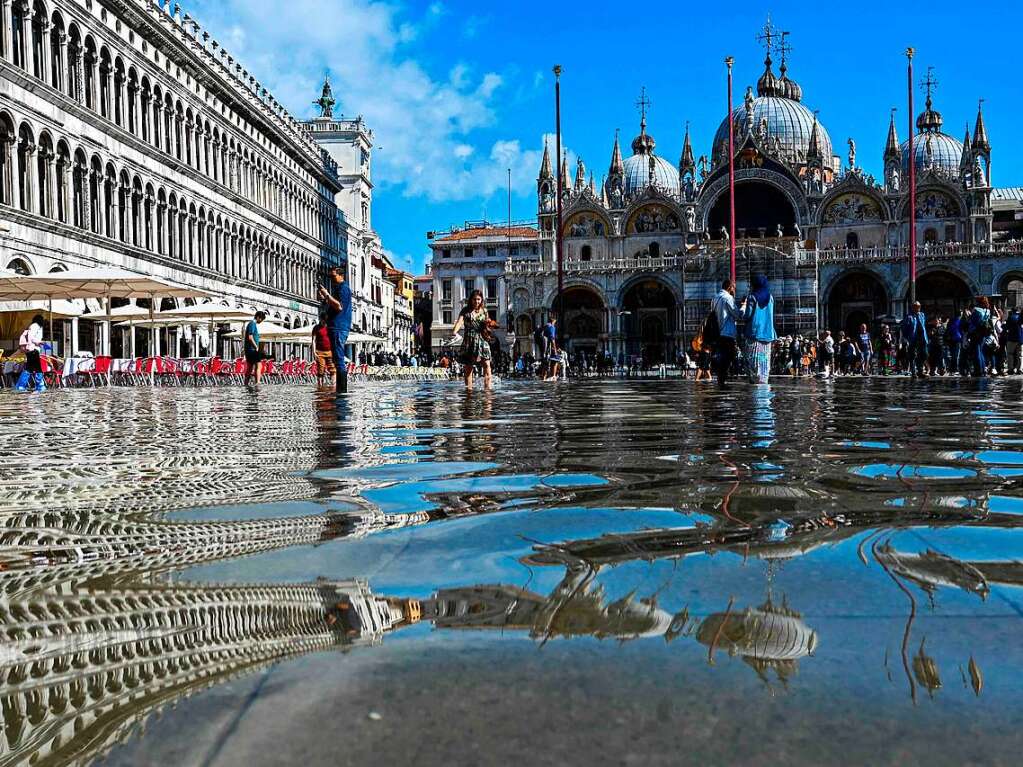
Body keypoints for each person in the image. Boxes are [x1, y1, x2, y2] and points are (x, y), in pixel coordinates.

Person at [318, 265, 353, 393]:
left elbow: (339, 307)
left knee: (338, 360)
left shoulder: (343, 289)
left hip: (339, 327)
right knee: (337, 359)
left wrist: (327, 295)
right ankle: (340, 391)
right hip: (335, 326)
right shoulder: (338, 289)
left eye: (333, 276)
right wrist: (325, 299)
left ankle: (342, 392)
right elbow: (334, 306)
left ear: (341, 275)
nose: (331, 279)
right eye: (330, 277)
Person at [451, 289, 495, 389]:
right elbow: (459, 322)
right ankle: (469, 391)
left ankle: (487, 390)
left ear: (481, 300)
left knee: (487, 365)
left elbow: (487, 325)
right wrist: (454, 332)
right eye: (474, 299)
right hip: (469, 340)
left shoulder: (484, 311)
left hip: (482, 339)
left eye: (479, 299)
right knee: (468, 367)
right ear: (471, 300)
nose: (476, 301)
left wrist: (489, 325)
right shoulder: (465, 310)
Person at [743, 273, 776, 384]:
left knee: (752, 360)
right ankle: (763, 381)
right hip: (767, 334)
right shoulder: (770, 298)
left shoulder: (752, 297)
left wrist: (743, 307)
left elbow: (747, 315)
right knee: (763, 360)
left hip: (754, 333)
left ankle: (755, 382)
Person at [711, 279, 745, 386]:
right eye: (734, 287)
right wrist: (744, 305)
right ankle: (722, 378)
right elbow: (737, 314)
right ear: (730, 287)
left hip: (718, 332)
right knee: (729, 355)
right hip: (727, 332)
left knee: (723, 355)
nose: (735, 290)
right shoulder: (728, 298)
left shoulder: (715, 298)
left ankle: (721, 377)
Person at [15, 314, 46, 393]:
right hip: (33, 350)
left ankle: (20, 386)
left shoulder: (33, 326)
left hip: (31, 350)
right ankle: (40, 386)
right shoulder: (35, 326)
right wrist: (39, 342)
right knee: (36, 368)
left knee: (30, 368)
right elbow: (31, 337)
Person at [966, 296, 992, 377]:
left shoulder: (976, 311)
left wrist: (969, 318)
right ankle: (983, 370)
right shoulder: (987, 311)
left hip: (976, 333)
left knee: (977, 352)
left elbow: (973, 323)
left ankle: (979, 370)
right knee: (980, 351)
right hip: (983, 333)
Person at [901, 301, 929, 378]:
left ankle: (920, 370)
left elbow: (924, 326)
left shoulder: (922, 315)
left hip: (922, 338)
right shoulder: (909, 316)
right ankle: (914, 372)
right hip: (913, 338)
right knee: (913, 355)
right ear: (913, 307)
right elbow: (904, 328)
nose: (918, 308)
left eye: (919, 306)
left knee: (924, 354)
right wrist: (906, 338)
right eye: (916, 306)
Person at [243, 311, 266, 387]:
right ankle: (257, 382)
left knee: (250, 367)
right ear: (258, 317)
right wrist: (256, 346)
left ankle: (246, 383)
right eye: (261, 320)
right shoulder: (252, 324)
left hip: (249, 349)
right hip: (252, 349)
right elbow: (250, 337)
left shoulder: (251, 324)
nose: (261, 321)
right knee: (259, 366)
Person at [311, 314, 335, 386]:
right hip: (319, 352)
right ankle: (320, 386)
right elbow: (313, 340)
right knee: (320, 370)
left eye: (325, 320)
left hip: (330, 351)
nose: (324, 322)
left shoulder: (330, 327)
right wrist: (314, 352)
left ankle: (334, 385)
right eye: (323, 320)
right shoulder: (316, 328)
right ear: (320, 319)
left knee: (333, 369)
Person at [1004, 307, 1023, 375]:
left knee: (1010, 354)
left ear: (1012, 311)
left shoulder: (1010, 317)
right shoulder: (1020, 317)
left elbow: (1006, 327)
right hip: (1020, 339)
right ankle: (1019, 369)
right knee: (1020, 355)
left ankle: (1011, 369)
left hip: (1012, 338)